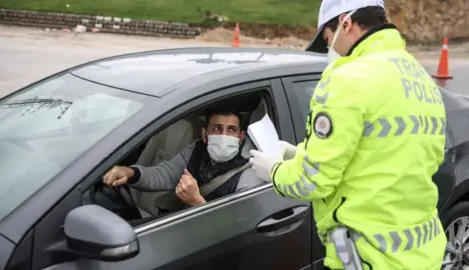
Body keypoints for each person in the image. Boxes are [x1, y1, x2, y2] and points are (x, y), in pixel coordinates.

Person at [249, 0, 447, 269]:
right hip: (422, 252)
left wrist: (275, 170)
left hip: (368, 257)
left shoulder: (348, 79)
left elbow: (313, 181)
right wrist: (300, 154)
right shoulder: (417, 75)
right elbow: (402, 155)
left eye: (329, 39)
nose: (330, 49)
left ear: (346, 23)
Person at [103, 108, 265, 213]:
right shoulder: (196, 150)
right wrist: (129, 172)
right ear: (205, 134)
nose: (223, 135)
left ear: (241, 136)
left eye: (231, 130)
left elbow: (239, 227)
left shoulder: (250, 174)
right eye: (216, 128)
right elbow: (163, 174)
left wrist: (197, 203)